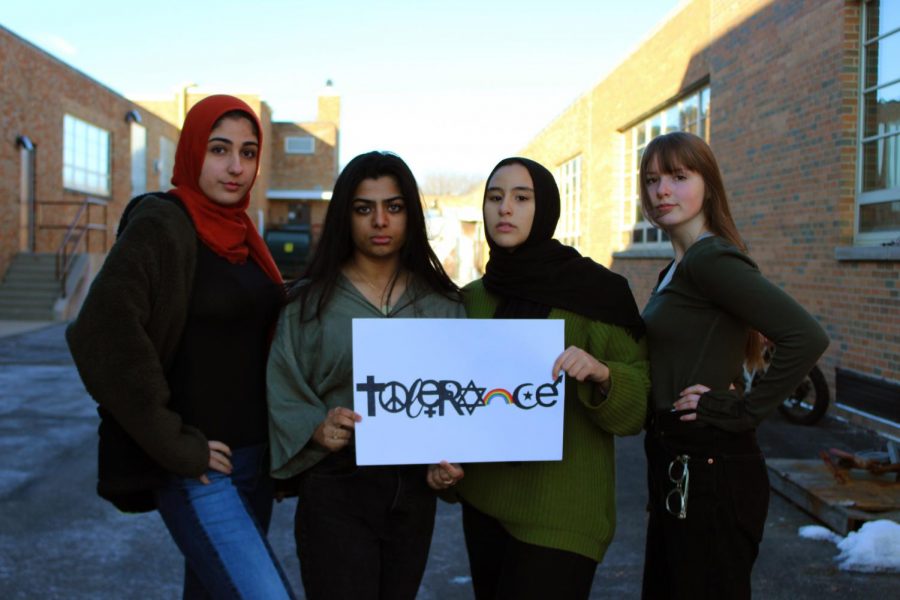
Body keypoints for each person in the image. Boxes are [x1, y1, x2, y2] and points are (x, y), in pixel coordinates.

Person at [67, 95, 296, 599]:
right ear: (193, 151)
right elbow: (101, 333)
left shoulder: (242, 235)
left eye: (248, 152)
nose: (236, 167)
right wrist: (171, 442)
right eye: (219, 149)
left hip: (255, 462)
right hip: (200, 465)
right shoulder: (163, 224)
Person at [431, 157, 650, 600]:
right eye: (494, 197)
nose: (504, 209)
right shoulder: (472, 299)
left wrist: (603, 374)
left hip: (562, 514)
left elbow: (640, 407)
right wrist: (442, 460)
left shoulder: (598, 294)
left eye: (521, 197)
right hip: (485, 503)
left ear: (546, 207)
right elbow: (454, 399)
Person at [639, 131, 829, 599]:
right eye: (652, 179)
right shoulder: (676, 270)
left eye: (679, 177)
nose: (662, 190)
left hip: (711, 466)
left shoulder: (711, 260)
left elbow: (805, 336)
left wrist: (743, 411)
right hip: (677, 460)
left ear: (709, 185)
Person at [266, 151, 464, 600]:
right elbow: (283, 383)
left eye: (393, 207)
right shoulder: (309, 305)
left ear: (410, 214)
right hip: (337, 486)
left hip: (414, 492)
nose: (380, 220)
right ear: (345, 216)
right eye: (363, 208)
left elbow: (460, 398)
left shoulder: (445, 305)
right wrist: (315, 426)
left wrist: (451, 459)